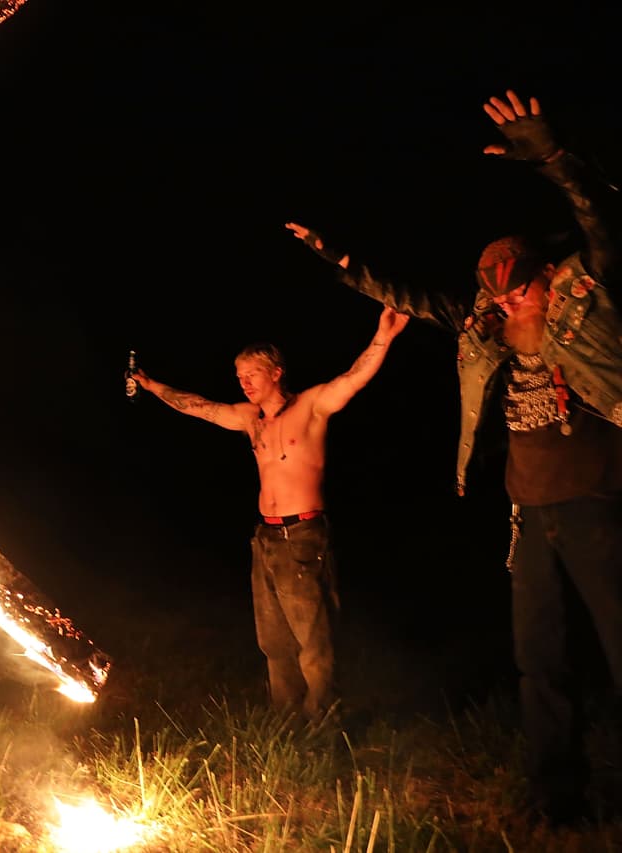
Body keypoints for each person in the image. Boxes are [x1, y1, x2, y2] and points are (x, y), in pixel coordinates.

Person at [287, 88, 622, 826]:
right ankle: (556, 798)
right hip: (531, 515)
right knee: (541, 660)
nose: (512, 310)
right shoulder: (483, 325)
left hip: (601, 502)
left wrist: (557, 159)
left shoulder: (586, 297)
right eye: (499, 303)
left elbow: (602, 218)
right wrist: (337, 257)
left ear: (546, 280)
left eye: (520, 296)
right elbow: (404, 293)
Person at [132, 306, 408, 725]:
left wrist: (383, 336)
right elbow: (199, 407)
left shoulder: (311, 406)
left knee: (312, 639)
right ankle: (287, 717)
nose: (243, 383)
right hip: (266, 538)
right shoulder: (249, 419)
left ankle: (325, 720)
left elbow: (354, 378)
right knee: (274, 640)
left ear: (275, 372)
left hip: (304, 536)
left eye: (252, 375)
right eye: (239, 376)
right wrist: (152, 386)